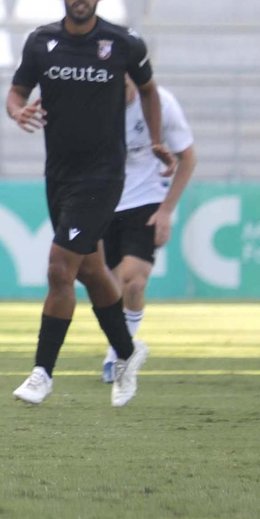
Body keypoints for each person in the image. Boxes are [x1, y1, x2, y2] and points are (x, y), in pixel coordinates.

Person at [6, 0, 175, 408]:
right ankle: (127, 351)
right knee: (91, 269)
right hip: (59, 175)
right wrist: (17, 111)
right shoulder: (41, 43)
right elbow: (17, 91)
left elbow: (149, 89)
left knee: (59, 268)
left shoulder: (122, 43)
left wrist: (156, 140)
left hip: (103, 176)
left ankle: (42, 372)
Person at [99, 76, 196, 383]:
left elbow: (188, 157)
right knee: (111, 288)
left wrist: (166, 210)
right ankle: (118, 345)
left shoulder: (161, 104)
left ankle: (120, 354)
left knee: (134, 282)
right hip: (103, 200)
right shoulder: (94, 102)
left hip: (146, 200)